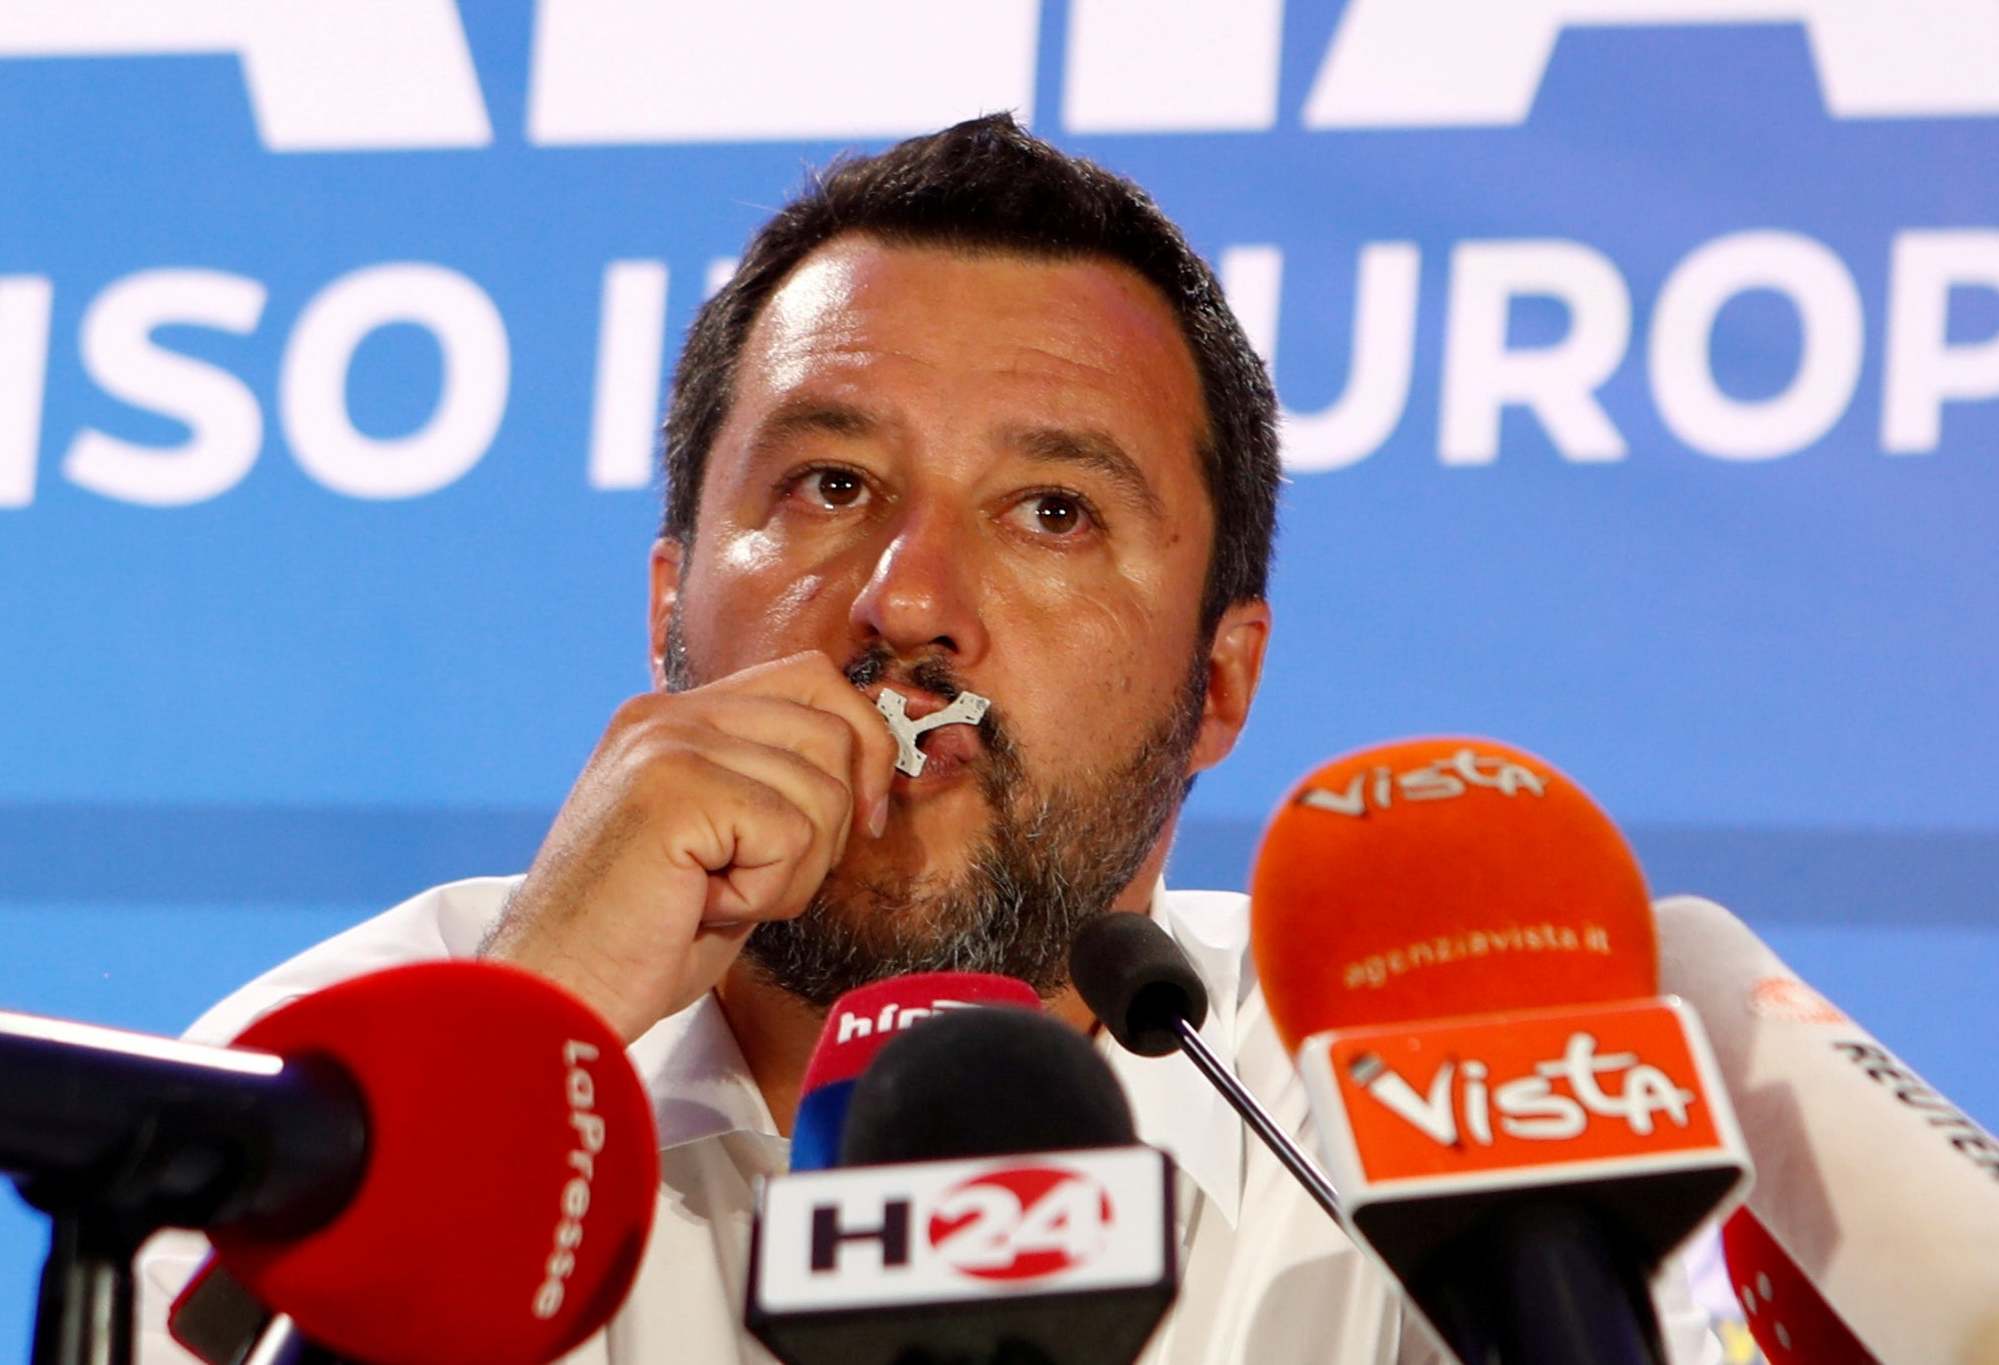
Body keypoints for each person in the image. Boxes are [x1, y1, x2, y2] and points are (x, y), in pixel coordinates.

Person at [136, 115, 1721, 1363]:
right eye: (830, 484)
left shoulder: (1408, 1107)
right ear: (671, 604)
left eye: (1052, 510)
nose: (912, 603)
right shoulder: (340, 1055)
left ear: (1223, 683)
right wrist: (532, 1020)